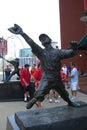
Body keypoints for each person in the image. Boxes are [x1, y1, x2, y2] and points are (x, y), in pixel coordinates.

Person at [8, 24, 80, 109]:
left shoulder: (58, 52)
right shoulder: (41, 52)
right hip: (47, 77)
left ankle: (70, 102)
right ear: (42, 43)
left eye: (44, 37)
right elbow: (32, 43)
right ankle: (35, 99)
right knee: (40, 91)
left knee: (63, 92)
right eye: (41, 39)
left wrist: (75, 49)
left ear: (50, 40)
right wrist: (22, 33)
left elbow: (71, 53)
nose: (43, 39)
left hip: (57, 77)